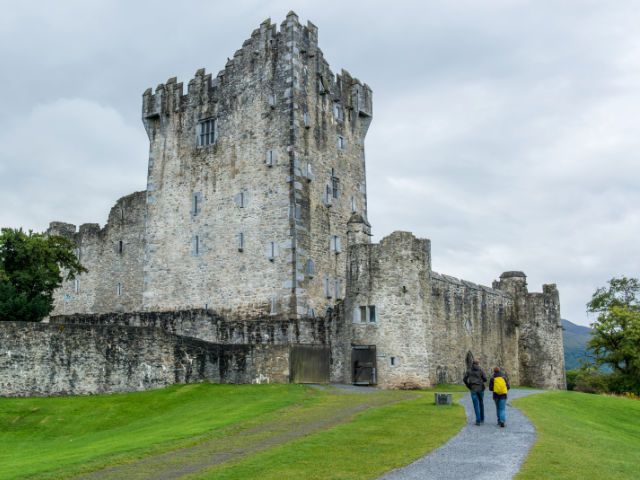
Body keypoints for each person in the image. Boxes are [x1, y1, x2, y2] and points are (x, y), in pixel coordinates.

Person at [463, 359, 487, 425]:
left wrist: (469, 385)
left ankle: (478, 420)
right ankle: (482, 418)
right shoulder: (481, 370)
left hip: (473, 388)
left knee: (476, 405)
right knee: (481, 403)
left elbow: (464, 379)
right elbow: (485, 379)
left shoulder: (469, 371)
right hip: (480, 388)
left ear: (472, 364)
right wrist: (481, 381)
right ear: (478, 364)